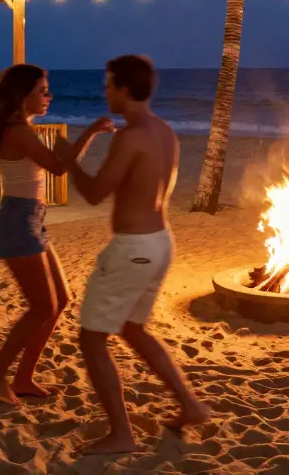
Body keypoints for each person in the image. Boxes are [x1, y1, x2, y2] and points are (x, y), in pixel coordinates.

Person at [54, 55, 209, 454]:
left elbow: (93, 193)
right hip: (161, 241)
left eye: (108, 85)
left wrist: (71, 159)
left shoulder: (132, 135)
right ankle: (190, 404)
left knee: (91, 339)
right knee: (134, 329)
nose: (105, 92)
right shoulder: (165, 131)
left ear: (124, 89)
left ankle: (121, 433)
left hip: (134, 249)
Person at [0, 64, 114, 403]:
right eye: (42, 90)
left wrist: (84, 138)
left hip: (30, 218)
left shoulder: (20, 126)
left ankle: (23, 377)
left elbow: (56, 163)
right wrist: (90, 132)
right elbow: (57, 167)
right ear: (23, 94)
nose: (48, 96)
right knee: (41, 308)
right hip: (18, 221)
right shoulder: (18, 130)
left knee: (59, 302)